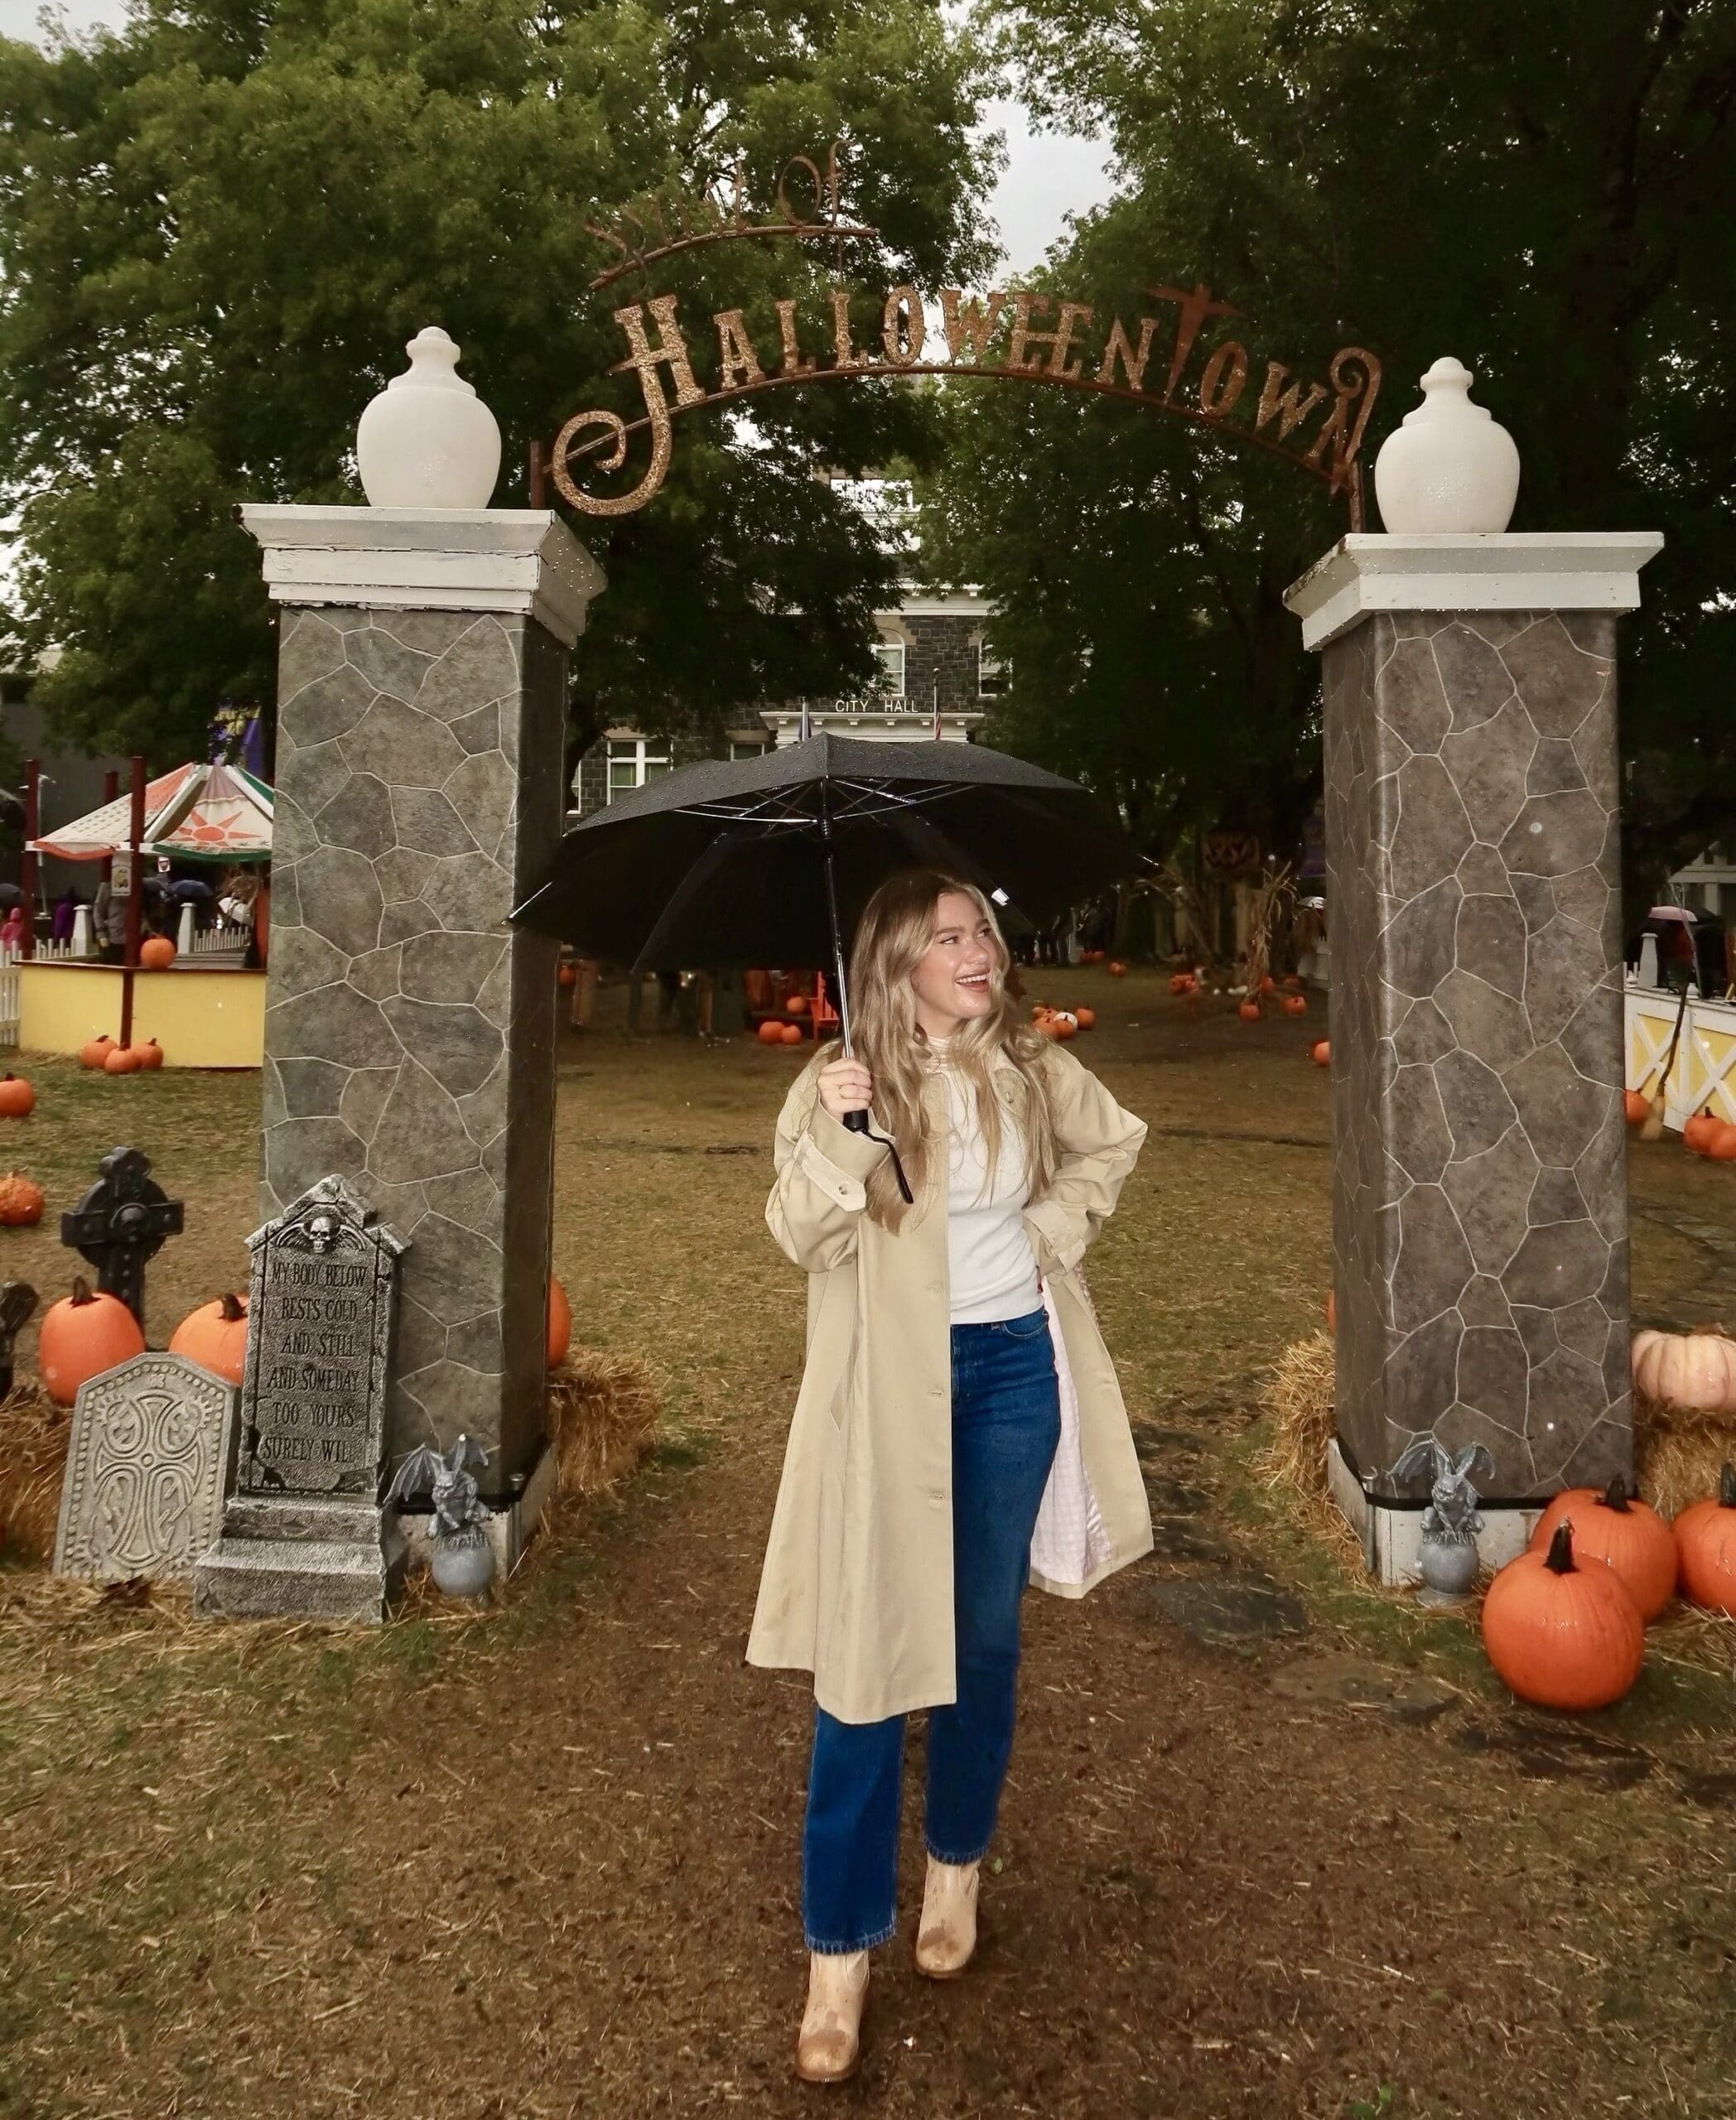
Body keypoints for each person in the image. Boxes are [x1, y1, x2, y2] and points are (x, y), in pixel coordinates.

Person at [750, 868, 1152, 2083]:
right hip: (889, 1392)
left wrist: (1050, 1230)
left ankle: (958, 1868)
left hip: (1014, 1378)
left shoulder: (1031, 1065)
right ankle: (838, 1955)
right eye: (947, 939)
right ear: (895, 967)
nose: (977, 951)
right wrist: (839, 1133)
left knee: (980, 1644)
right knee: (868, 1661)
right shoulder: (841, 1083)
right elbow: (794, 1232)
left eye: (980, 931)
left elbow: (1114, 1147)